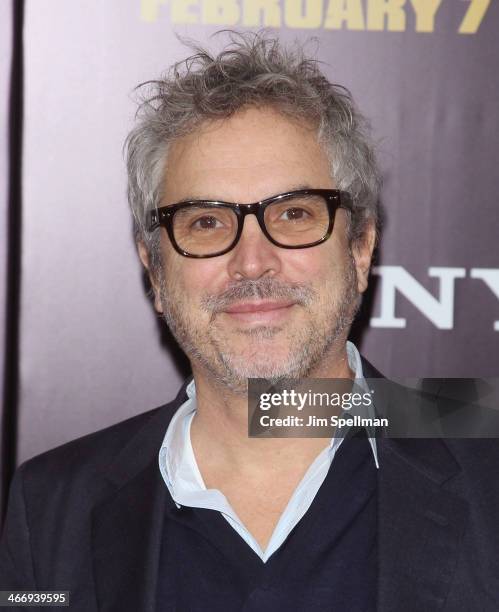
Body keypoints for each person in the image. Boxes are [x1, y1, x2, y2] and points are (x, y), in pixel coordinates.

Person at [1, 31, 498, 612]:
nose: (252, 262)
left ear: (360, 249)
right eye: (206, 222)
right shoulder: (53, 504)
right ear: (156, 272)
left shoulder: (488, 465)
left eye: (293, 213)